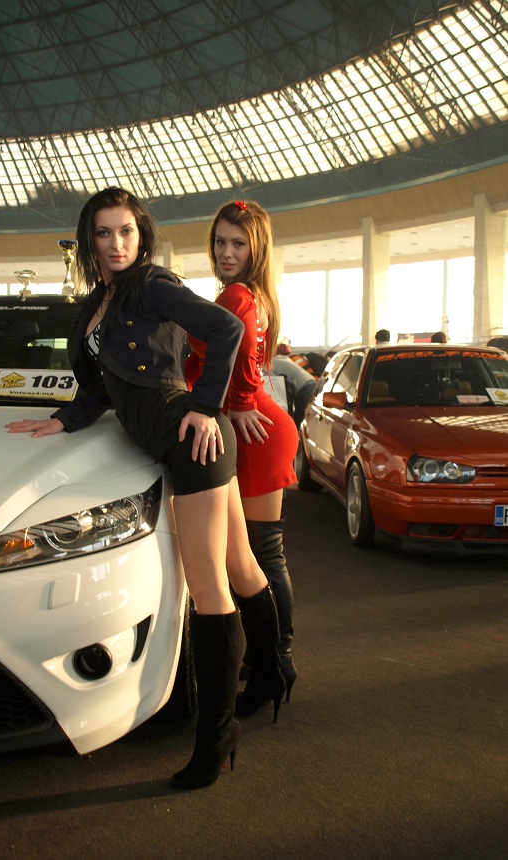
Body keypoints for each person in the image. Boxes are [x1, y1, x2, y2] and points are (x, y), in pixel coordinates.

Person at [5, 187, 284, 791]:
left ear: (142, 235)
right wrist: (63, 420)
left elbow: (225, 328)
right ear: (90, 240)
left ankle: (217, 738)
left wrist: (205, 407)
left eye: (127, 231)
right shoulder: (98, 303)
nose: (117, 243)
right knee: (241, 566)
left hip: (192, 441)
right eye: (104, 233)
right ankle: (272, 674)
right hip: (181, 441)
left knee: (209, 589)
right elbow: (101, 387)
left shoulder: (152, 285)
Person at [185, 199, 299, 713]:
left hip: (255, 430)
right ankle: (270, 659)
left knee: (261, 553)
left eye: (238, 243)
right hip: (257, 427)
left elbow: (243, 355)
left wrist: (242, 401)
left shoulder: (238, 295)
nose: (226, 252)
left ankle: (277, 659)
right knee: (256, 553)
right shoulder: (253, 293)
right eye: (220, 242)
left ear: (257, 249)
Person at [272, 343, 318, 426]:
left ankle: (297, 433)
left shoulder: (270, 363)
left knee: (300, 417)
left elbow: (273, 385)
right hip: (312, 382)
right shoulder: (285, 358)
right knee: (306, 416)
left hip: (304, 387)